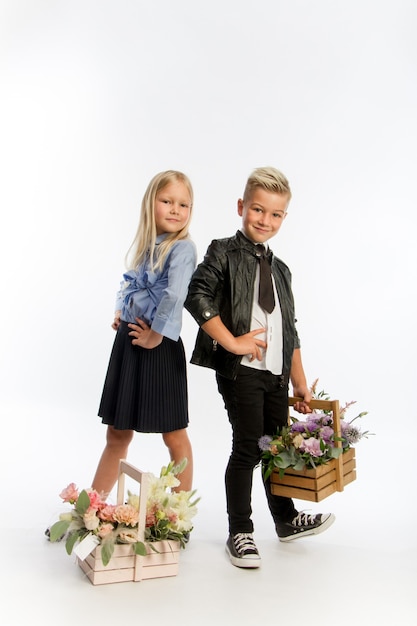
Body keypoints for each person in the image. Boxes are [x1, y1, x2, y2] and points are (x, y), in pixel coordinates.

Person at [185, 166, 335, 568]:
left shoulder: (282, 270)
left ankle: (285, 520)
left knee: (275, 445)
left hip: (276, 374)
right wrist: (232, 342)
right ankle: (240, 531)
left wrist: (299, 382)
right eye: (257, 210)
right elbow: (196, 294)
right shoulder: (223, 251)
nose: (264, 220)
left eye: (275, 214)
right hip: (241, 372)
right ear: (241, 207)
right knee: (249, 445)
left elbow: (290, 330)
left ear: (284, 218)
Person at [92, 170, 196, 499]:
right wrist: (122, 311)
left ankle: (180, 514)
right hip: (130, 343)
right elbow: (131, 283)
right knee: (117, 435)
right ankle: (91, 508)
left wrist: (157, 335)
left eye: (184, 204)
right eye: (167, 201)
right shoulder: (146, 245)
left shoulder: (183, 249)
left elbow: (175, 295)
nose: (176, 209)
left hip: (160, 348)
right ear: (150, 204)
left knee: (174, 434)